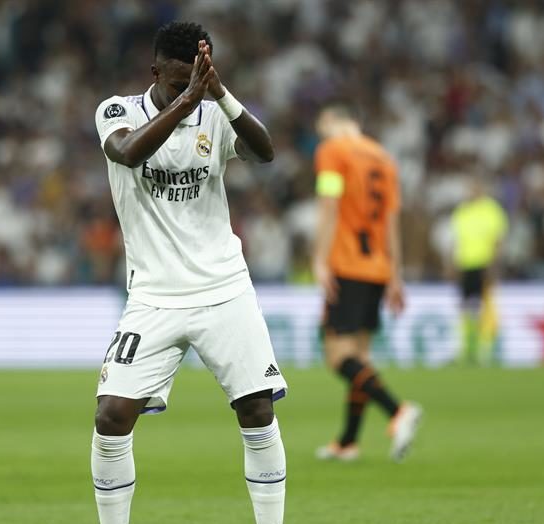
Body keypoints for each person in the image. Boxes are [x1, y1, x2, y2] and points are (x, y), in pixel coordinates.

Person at [91, 22, 288, 524]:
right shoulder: (118, 111)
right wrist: (187, 100)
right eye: (179, 83)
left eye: (196, 79)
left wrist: (219, 94)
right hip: (154, 295)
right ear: (156, 72)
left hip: (223, 288)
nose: (188, 92)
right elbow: (128, 152)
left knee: (257, 410)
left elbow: (266, 152)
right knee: (111, 416)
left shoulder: (214, 111)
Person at [311, 104, 422, 462]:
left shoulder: (333, 151)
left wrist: (319, 259)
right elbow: (391, 221)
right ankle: (348, 442)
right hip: (377, 268)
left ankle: (397, 410)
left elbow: (329, 205)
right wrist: (396, 274)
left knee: (338, 357)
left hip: (346, 264)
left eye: (322, 128)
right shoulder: (384, 159)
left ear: (334, 123)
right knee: (359, 356)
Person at [450, 175, 508, 365]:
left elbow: (498, 241)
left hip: (484, 264)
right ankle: (464, 348)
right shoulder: (461, 211)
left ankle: (485, 350)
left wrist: (494, 265)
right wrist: (453, 264)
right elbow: (456, 241)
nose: (471, 192)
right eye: (469, 188)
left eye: (474, 188)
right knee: (464, 308)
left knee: (486, 307)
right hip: (465, 264)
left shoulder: (492, 210)